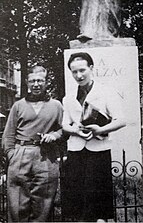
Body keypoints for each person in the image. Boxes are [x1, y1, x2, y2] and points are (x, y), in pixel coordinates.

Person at [62, 52, 126, 222]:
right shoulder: (68, 98)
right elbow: (64, 124)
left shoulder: (107, 92)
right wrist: (75, 130)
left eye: (82, 70)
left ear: (91, 68)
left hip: (99, 150)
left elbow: (121, 120)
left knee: (98, 201)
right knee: (78, 201)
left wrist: (99, 129)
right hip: (76, 151)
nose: (79, 75)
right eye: (74, 72)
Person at [2, 65, 63, 222]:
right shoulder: (18, 106)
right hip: (21, 154)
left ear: (46, 82)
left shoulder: (56, 106)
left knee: (43, 205)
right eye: (32, 81)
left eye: (40, 80)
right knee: (17, 206)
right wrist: (13, 155)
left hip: (46, 156)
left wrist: (54, 135)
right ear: (27, 83)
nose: (36, 84)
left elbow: (65, 130)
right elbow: (8, 135)